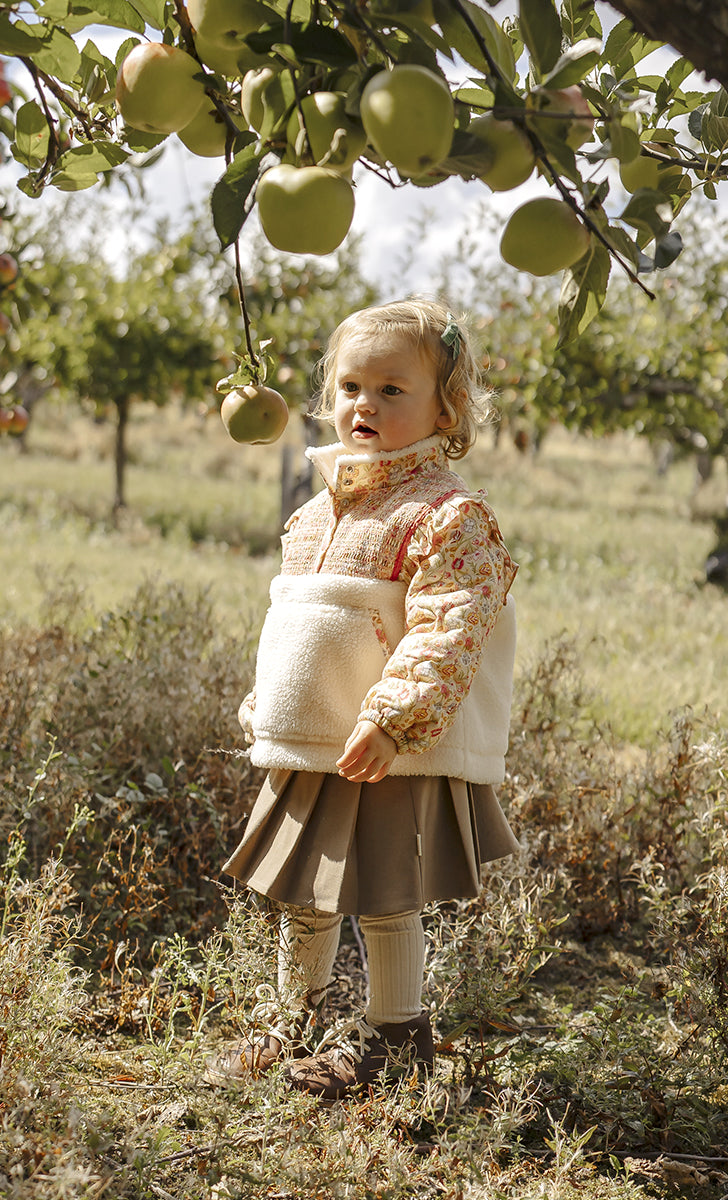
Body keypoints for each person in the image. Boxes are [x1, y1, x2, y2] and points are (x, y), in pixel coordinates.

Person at [204, 297, 519, 1099]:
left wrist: (394, 718)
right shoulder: (317, 511)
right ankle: (292, 1020)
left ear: (446, 409)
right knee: (305, 890)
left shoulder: (447, 515)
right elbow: (298, 623)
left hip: (385, 745)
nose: (363, 405)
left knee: (384, 893)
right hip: (315, 739)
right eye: (349, 387)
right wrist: (269, 700)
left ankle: (397, 1039)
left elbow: (449, 627)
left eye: (391, 389)